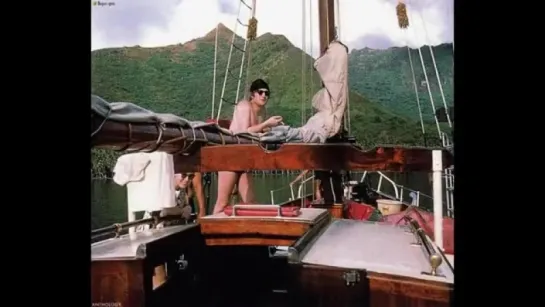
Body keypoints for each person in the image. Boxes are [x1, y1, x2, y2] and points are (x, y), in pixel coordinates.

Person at [213, 79, 283, 214]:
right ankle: (208, 232)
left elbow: (255, 132)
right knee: (222, 202)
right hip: (230, 156)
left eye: (266, 93)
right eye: (260, 92)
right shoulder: (244, 106)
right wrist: (266, 124)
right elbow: (244, 132)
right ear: (252, 94)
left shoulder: (260, 114)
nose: (264, 95)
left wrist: (270, 129)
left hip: (243, 159)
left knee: (250, 202)